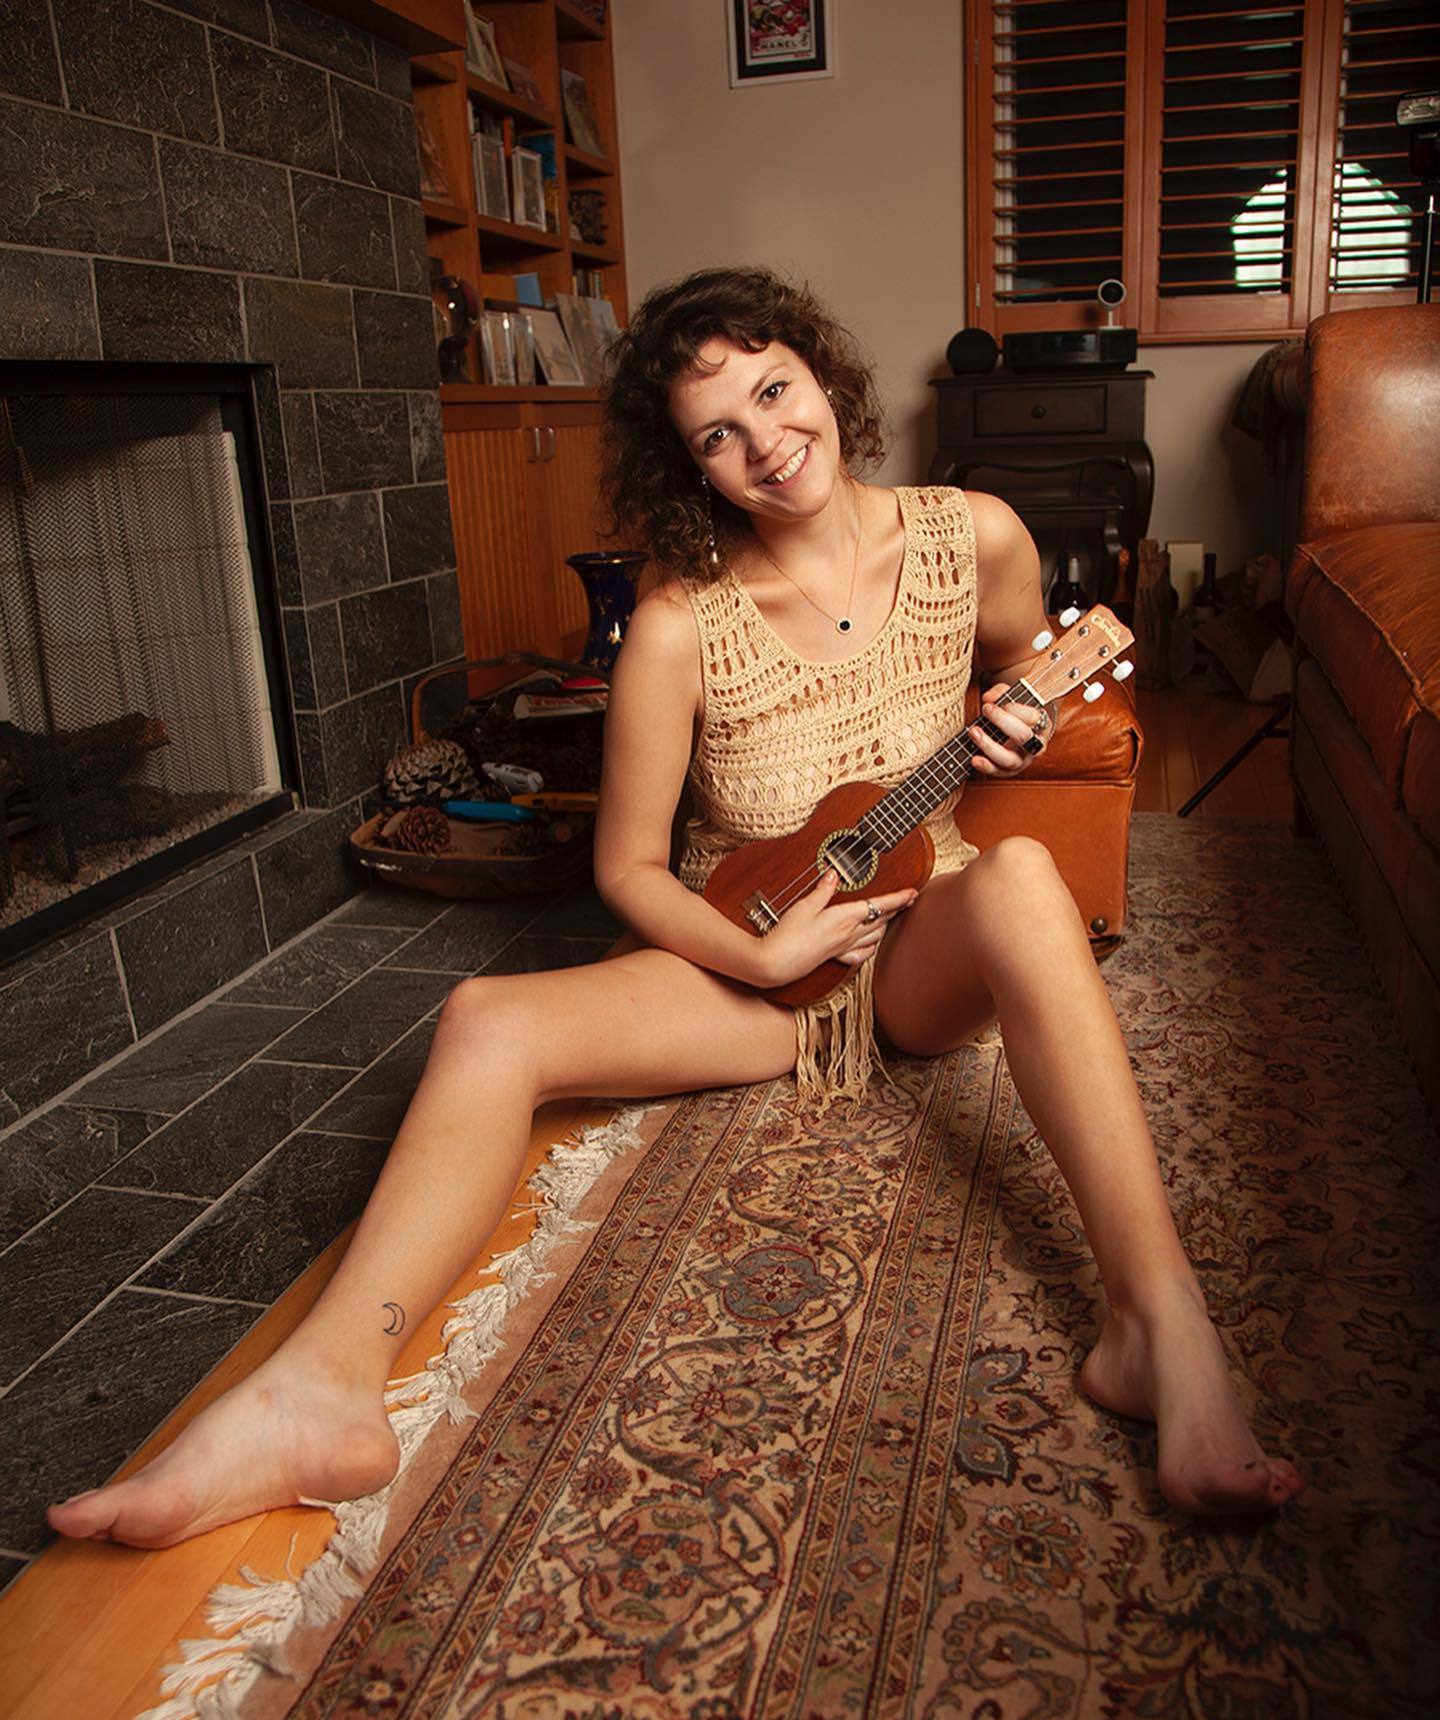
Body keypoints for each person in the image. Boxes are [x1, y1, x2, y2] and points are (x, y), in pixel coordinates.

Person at [48, 268, 1301, 1549]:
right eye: (718, 433)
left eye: (776, 390)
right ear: (688, 467)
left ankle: (1157, 1326)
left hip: (919, 934)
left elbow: (1032, 679)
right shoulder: (676, 626)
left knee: (1024, 878)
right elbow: (629, 871)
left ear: (823, 375)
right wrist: (761, 959)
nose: (769, 442)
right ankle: (323, 1392)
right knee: (484, 1020)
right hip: (747, 952)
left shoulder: (972, 537)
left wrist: (1017, 732)